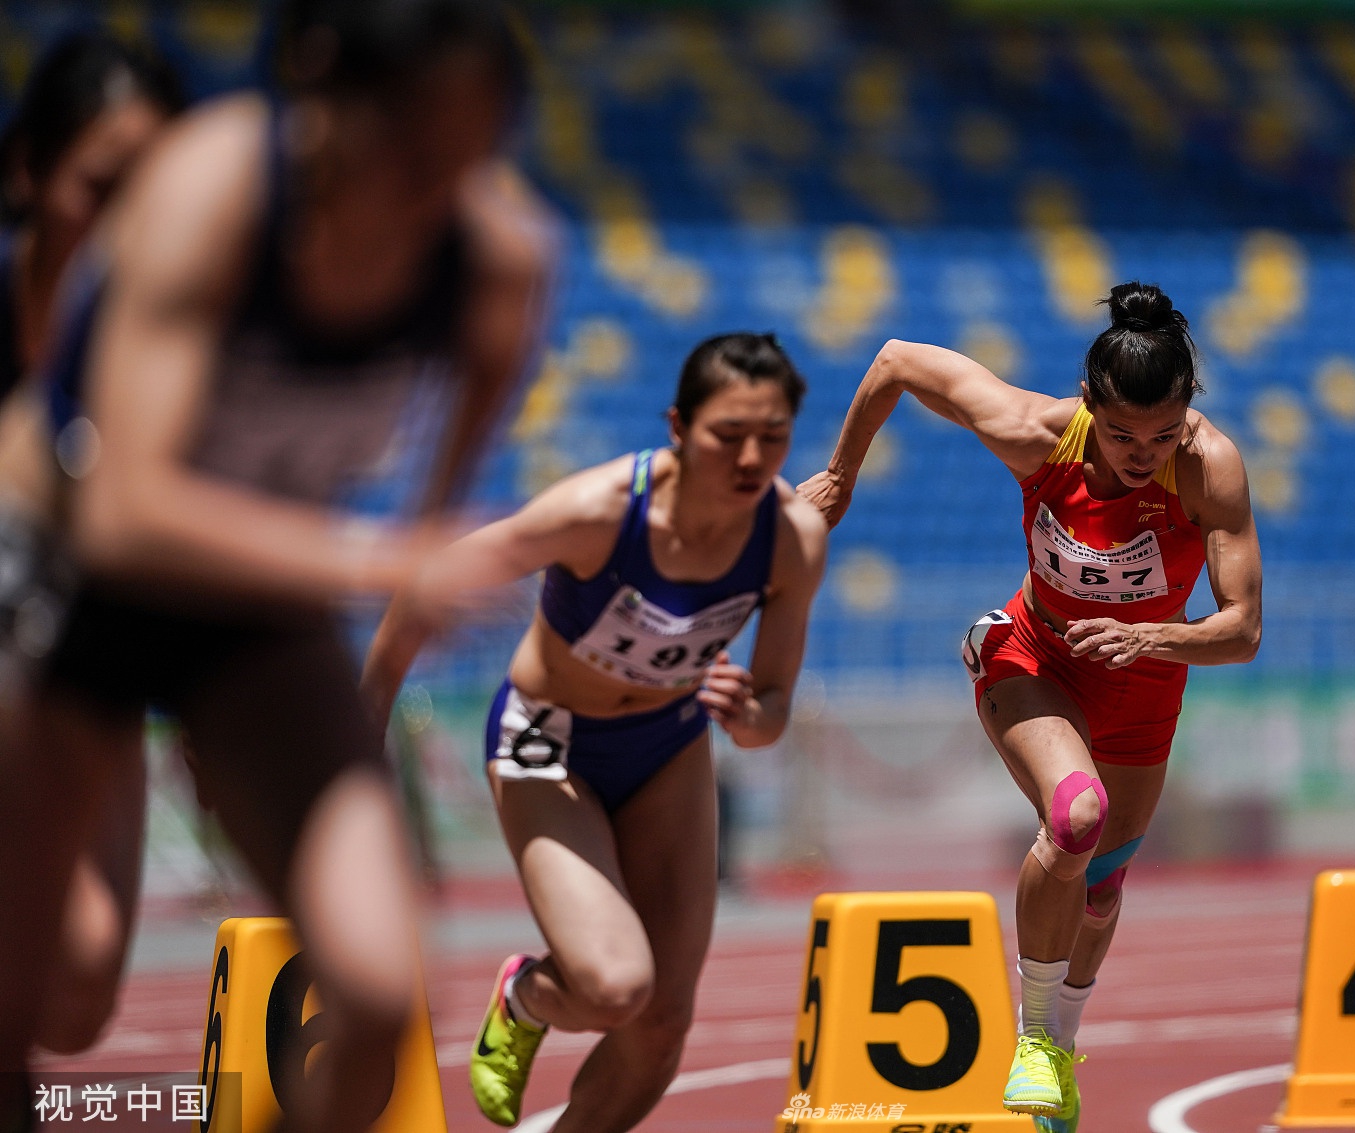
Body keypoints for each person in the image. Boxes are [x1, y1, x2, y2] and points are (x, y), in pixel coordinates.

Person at [0, 2, 556, 1131]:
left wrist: (404, 563)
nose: (425, 198)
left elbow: (427, 529)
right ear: (321, 97)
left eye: (465, 161)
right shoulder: (209, 191)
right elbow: (123, 513)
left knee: (376, 986)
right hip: (60, 575)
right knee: (40, 988)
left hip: (250, 600)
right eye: (405, 153)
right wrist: (377, 556)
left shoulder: (499, 264)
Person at [800, 281, 1262, 1133]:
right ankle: (1034, 1040)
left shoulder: (1210, 466)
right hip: (1034, 655)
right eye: (1122, 434)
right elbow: (898, 360)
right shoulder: (1036, 433)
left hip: (1144, 683)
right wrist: (839, 475)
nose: (1142, 452)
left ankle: (1062, 1041)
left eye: (1163, 434)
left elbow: (1241, 630)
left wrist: (1152, 639)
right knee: (1075, 816)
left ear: (1188, 413)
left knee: (1103, 888)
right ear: (1090, 405)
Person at [362, 332, 827, 1133]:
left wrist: (749, 715)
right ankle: (526, 995)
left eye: (774, 437)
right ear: (678, 426)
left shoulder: (790, 541)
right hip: (548, 742)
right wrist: (358, 727)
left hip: (668, 745)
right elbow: (426, 582)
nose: (752, 459)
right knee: (614, 987)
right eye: (728, 435)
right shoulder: (598, 512)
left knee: (660, 1026)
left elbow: (771, 713)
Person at [0, 30, 183, 1067]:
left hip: (81, 664)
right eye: (101, 186)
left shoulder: (172, 348)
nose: (127, 229)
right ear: (27, 170)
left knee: (79, 985)